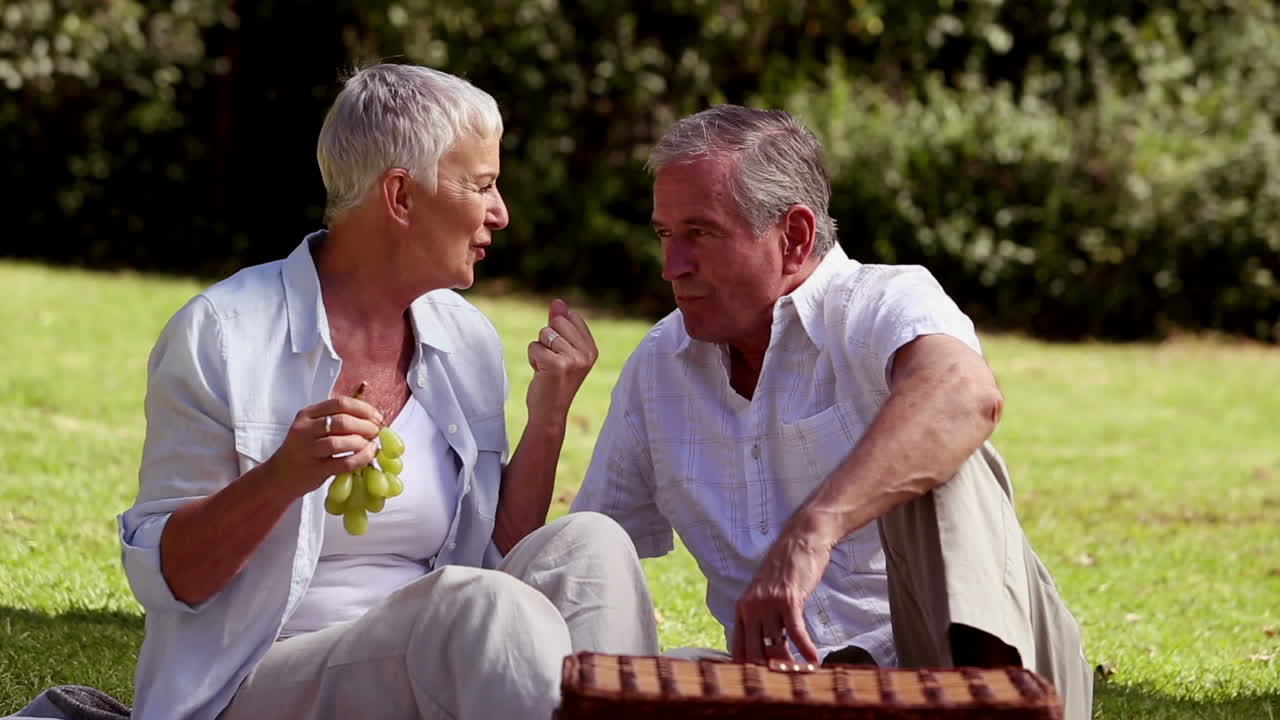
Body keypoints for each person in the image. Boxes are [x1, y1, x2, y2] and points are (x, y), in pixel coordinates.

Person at [116, 63, 658, 720]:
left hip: (441, 652)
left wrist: (546, 419)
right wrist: (283, 476)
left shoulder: (465, 338)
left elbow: (499, 552)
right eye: (483, 185)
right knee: (477, 607)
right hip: (257, 678)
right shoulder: (222, 336)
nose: (501, 213)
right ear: (400, 195)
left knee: (591, 543)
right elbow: (176, 579)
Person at [571, 104, 1092, 719]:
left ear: (793, 236)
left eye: (701, 234)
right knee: (636, 665)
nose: (672, 267)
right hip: (798, 692)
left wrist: (811, 534)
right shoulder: (660, 363)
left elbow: (965, 391)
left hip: (966, 669)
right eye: (665, 235)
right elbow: (589, 548)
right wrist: (551, 410)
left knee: (940, 454)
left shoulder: (883, 301)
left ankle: (981, 705)